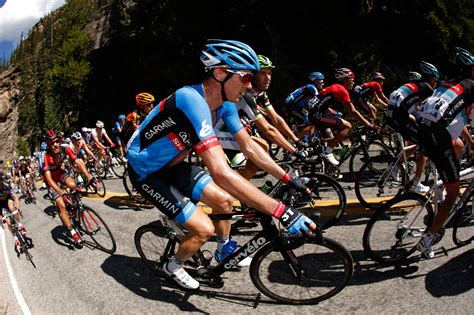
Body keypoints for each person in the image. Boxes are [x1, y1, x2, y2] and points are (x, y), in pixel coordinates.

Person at [127, 39, 316, 290]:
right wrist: (282, 211)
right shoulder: (191, 100)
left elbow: (250, 148)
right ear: (220, 73)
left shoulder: (225, 105)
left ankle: (223, 251)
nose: (250, 85)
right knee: (203, 229)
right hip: (147, 173)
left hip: (173, 166)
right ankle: (172, 266)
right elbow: (221, 172)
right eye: (246, 77)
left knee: (225, 201)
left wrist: (288, 179)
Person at [416, 47, 474, 258]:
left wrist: (470, 142)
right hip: (436, 135)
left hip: (424, 130)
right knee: (453, 193)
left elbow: (457, 118)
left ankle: (440, 183)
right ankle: (427, 239)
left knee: (457, 145)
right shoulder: (471, 87)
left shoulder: (446, 84)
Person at [385, 61, 439, 193]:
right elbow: (427, 109)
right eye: (436, 80)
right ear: (431, 78)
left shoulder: (414, 85)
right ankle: (415, 182)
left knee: (416, 140)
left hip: (390, 114)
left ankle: (395, 166)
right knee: (424, 144)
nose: (436, 83)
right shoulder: (427, 88)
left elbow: (413, 106)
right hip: (398, 115)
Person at [308, 68, 378, 166]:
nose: (353, 82)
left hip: (315, 113)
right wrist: (369, 124)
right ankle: (327, 152)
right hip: (316, 115)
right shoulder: (341, 90)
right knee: (348, 126)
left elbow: (323, 102)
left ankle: (325, 162)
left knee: (338, 130)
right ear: (344, 80)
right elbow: (353, 111)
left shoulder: (336, 87)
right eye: (351, 80)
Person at [42, 130, 93, 244]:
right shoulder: (45, 157)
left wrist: (89, 177)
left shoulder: (65, 148)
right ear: (48, 146)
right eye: (51, 143)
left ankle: (74, 208)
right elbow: (49, 180)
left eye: (56, 142)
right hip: (51, 182)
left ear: (59, 141)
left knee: (74, 185)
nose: (55, 145)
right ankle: (71, 230)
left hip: (60, 174)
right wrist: (61, 193)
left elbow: (78, 162)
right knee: (61, 205)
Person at [249, 55, 300, 143]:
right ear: (253, 75)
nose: (267, 78)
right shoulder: (243, 92)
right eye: (263, 73)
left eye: (269, 73)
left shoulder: (261, 94)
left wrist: (294, 138)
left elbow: (275, 118)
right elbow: (268, 130)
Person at [0, 173, 29, 254]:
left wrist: (18, 208)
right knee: (9, 223)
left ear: (2, 180)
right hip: (1, 205)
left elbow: (15, 197)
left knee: (12, 207)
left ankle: (19, 224)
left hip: (8, 199)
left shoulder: (6, 184)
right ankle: (16, 238)